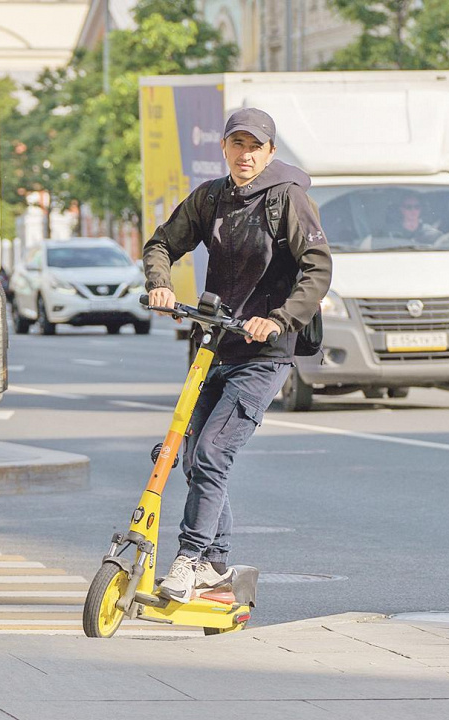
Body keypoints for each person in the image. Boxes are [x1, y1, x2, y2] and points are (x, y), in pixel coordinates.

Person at [142, 108, 332, 602]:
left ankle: (189, 559)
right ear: (224, 148)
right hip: (212, 344)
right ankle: (215, 565)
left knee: (212, 453)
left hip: (264, 354)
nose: (245, 155)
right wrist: (161, 286)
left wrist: (279, 318)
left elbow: (317, 269)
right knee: (191, 459)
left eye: (255, 147)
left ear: (270, 152)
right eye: (237, 145)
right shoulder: (210, 198)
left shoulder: (287, 199)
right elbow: (162, 243)